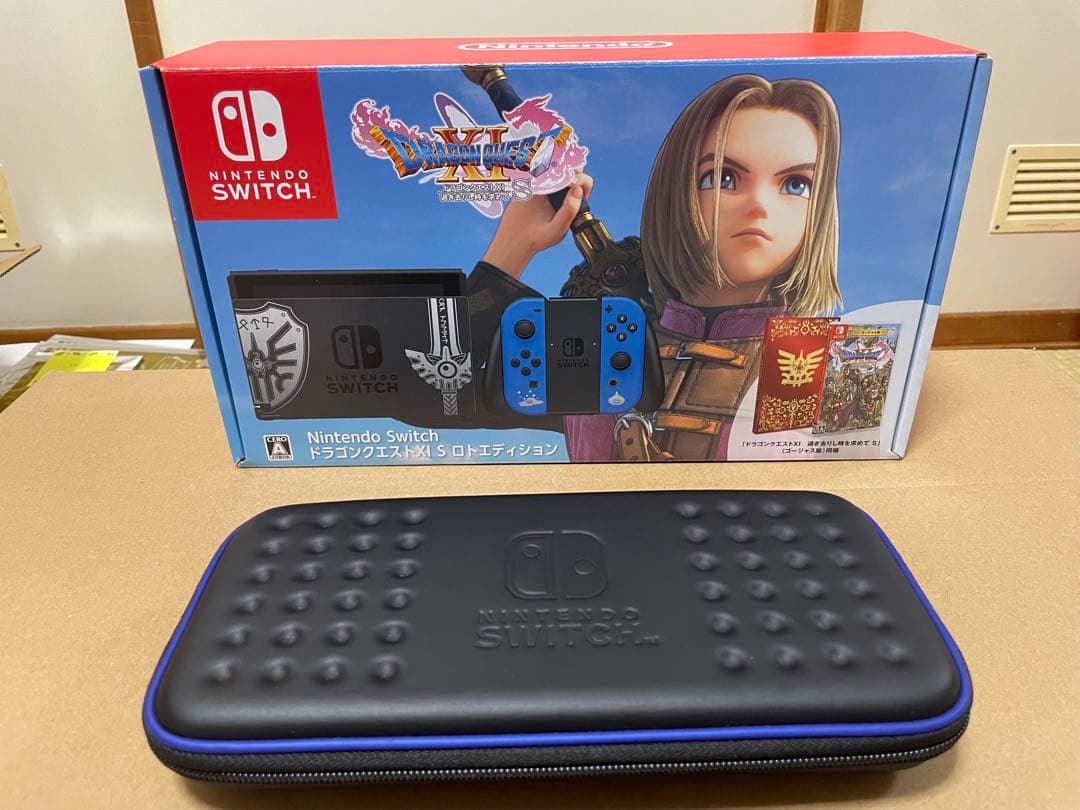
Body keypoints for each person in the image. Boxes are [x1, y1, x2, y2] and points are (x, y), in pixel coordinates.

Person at [471, 74, 843, 460]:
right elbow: (442, 392)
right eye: (722, 177)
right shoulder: (604, 352)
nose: (760, 205)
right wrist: (513, 246)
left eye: (796, 184)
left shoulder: (817, 357)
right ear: (675, 192)